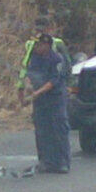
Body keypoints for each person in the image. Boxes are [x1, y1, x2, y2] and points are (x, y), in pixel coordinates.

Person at [24, 33, 70, 174]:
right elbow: (29, 73)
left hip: (55, 98)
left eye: (39, 44)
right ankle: (45, 161)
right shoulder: (35, 57)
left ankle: (62, 162)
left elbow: (53, 82)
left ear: (47, 45)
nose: (36, 47)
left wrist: (36, 93)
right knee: (42, 130)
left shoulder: (57, 59)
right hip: (40, 99)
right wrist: (28, 86)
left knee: (58, 129)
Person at [17, 16, 71, 106]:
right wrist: (21, 87)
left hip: (55, 87)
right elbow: (25, 66)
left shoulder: (57, 43)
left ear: (48, 29)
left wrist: (67, 84)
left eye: (42, 30)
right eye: (38, 30)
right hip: (38, 86)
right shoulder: (30, 44)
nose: (39, 33)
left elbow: (67, 65)